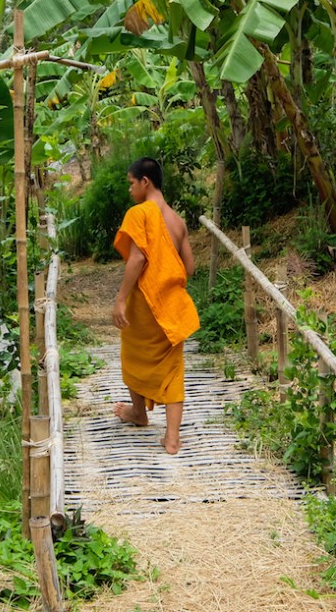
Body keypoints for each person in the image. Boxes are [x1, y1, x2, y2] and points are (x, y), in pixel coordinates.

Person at [111, 157, 199, 454]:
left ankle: (138, 413)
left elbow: (137, 259)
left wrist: (121, 298)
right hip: (172, 306)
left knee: (133, 356)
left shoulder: (140, 213)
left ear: (145, 182)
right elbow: (189, 267)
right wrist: (166, 279)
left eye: (131, 183)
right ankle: (172, 439)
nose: (130, 189)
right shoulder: (177, 221)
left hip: (145, 304)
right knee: (173, 370)